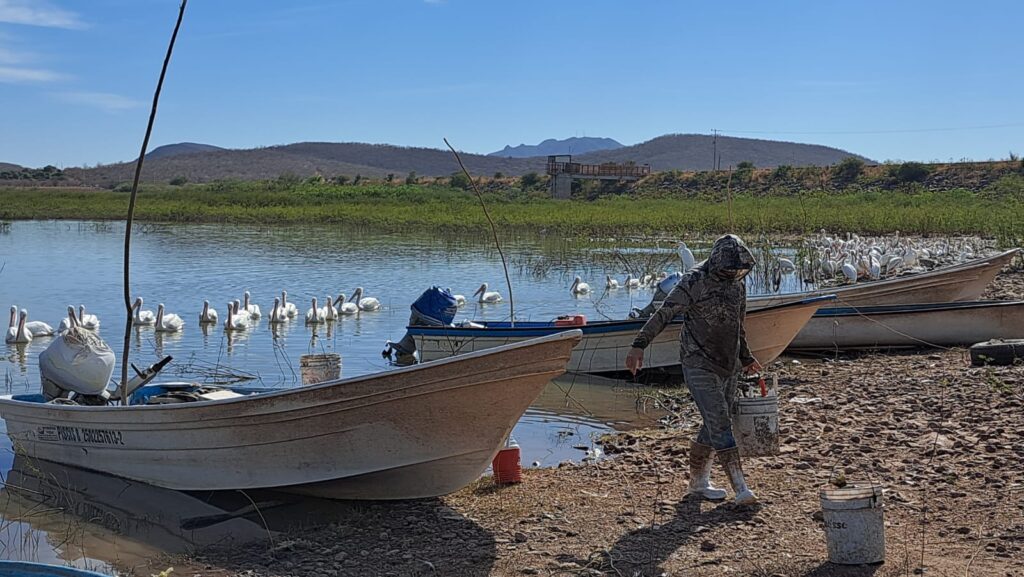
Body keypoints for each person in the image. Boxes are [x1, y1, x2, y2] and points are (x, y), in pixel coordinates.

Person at [625, 234, 762, 505]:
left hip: (728, 362)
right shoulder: (694, 281)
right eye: (728, 268)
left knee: (714, 422)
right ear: (716, 262)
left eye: (738, 269)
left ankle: (698, 483)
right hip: (697, 360)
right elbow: (665, 312)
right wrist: (639, 345)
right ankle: (741, 488)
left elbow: (738, 324)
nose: (733, 273)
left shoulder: (737, 283)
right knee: (720, 421)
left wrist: (746, 358)